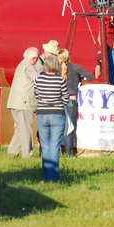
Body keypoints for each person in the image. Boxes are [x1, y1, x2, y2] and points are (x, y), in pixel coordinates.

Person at [34, 54, 68, 182]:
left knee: (45, 144)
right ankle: (53, 177)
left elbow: (36, 94)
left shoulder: (38, 79)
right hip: (57, 114)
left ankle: (46, 175)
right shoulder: (60, 80)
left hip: (42, 113)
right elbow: (65, 98)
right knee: (55, 146)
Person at [7, 47, 42, 158]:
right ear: (34, 58)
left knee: (19, 129)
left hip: (15, 103)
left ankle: (12, 153)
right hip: (24, 103)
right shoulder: (29, 67)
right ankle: (28, 155)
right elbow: (38, 79)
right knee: (26, 129)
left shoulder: (20, 65)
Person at [58, 48, 93, 157]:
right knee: (70, 128)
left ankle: (59, 151)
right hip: (71, 100)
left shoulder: (56, 69)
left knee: (59, 127)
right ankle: (70, 153)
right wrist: (80, 78)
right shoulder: (76, 67)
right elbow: (91, 77)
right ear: (69, 57)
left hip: (58, 101)